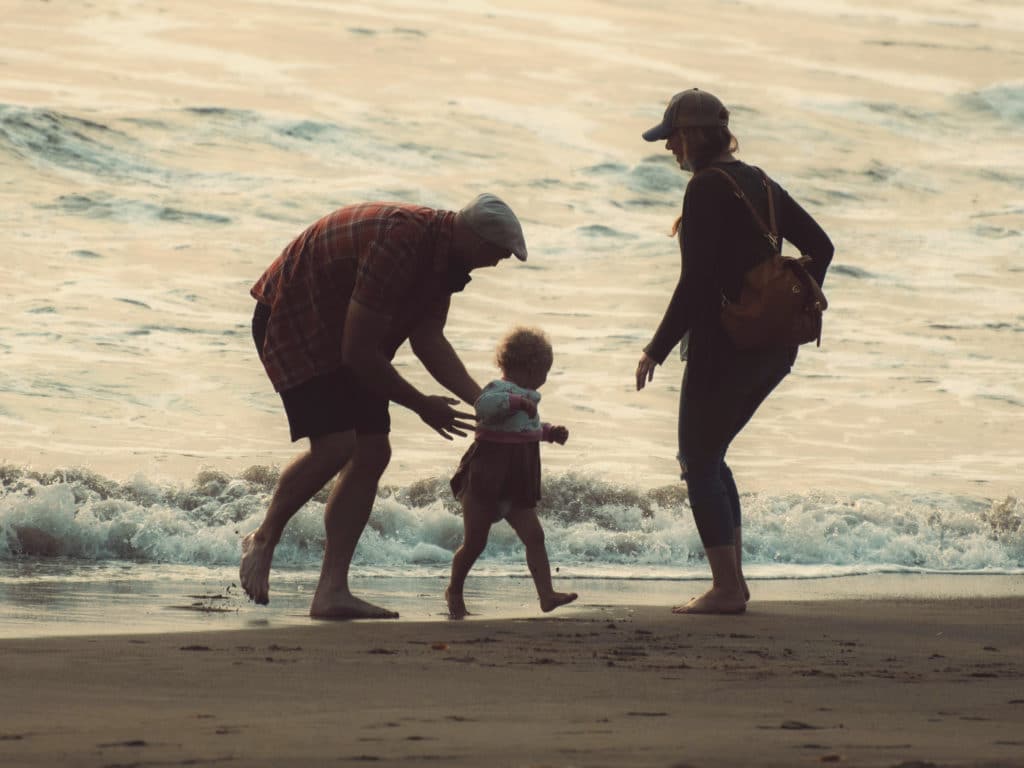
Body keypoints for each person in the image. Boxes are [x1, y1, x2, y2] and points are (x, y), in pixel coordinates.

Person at [241, 193, 528, 619]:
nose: (498, 263)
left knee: (373, 450)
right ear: (474, 238)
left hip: (346, 331)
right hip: (295, 314)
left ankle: (331, 591)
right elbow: (358, 351)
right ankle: (263, 538)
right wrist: (421, 405)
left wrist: (482, 401)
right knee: (337, 445)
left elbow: (428, 338)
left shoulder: (445, 259)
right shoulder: (404, 241)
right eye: (498, 253)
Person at [634, 88, 834, 615]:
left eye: (673, 136)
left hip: (724, 346)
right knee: (711, 455)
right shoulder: (759, 181)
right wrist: (782, 302)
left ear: (695, 135)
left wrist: (655, 348)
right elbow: (823, 245)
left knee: (698, 457)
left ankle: (725, 588)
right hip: (773, 347)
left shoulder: (705, 189)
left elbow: (696, 282)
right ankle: (734, 584)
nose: (669, 147)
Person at [445, 326, 577, 619]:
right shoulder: (499, 390)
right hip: (485, 481)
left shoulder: (527, 398)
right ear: (529, 369)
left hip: (516, 485)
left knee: (535, 536)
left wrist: (549, 432)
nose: (545, 379)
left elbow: (523, 430)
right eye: (545, 371)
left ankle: (546, 595)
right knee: (475, 543)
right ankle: (454, 588)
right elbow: (483, 407)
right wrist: (517, 402)